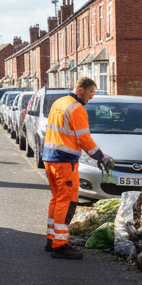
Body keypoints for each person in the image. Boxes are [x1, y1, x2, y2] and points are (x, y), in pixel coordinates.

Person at [42, 77, 112, 260]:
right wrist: (102, 157)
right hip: (65, 162)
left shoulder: (59, 102)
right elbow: (84, 139)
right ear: (80, 90)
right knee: (67, 202)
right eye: (90, 93)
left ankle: (51, 240)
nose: (91, 97)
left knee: (57, 200)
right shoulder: (77, 108)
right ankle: (60, 245)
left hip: (50, 159)